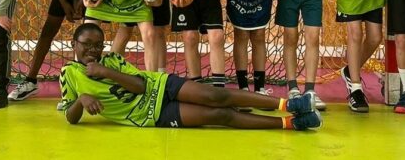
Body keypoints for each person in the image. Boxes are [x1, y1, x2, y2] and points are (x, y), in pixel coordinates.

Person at [60, 23, 322, 130]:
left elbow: (139, 86)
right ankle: (290, 123)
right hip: (149, 115)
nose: (92, 50)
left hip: (160, 87)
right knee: (219, 116)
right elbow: (71, 118)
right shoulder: (69, 73)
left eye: (98, 45)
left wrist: (105, 71)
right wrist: (81, 100)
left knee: (216, 95)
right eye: (86, 44)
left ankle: (289, 104)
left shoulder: (111, 61)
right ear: (74, 44)